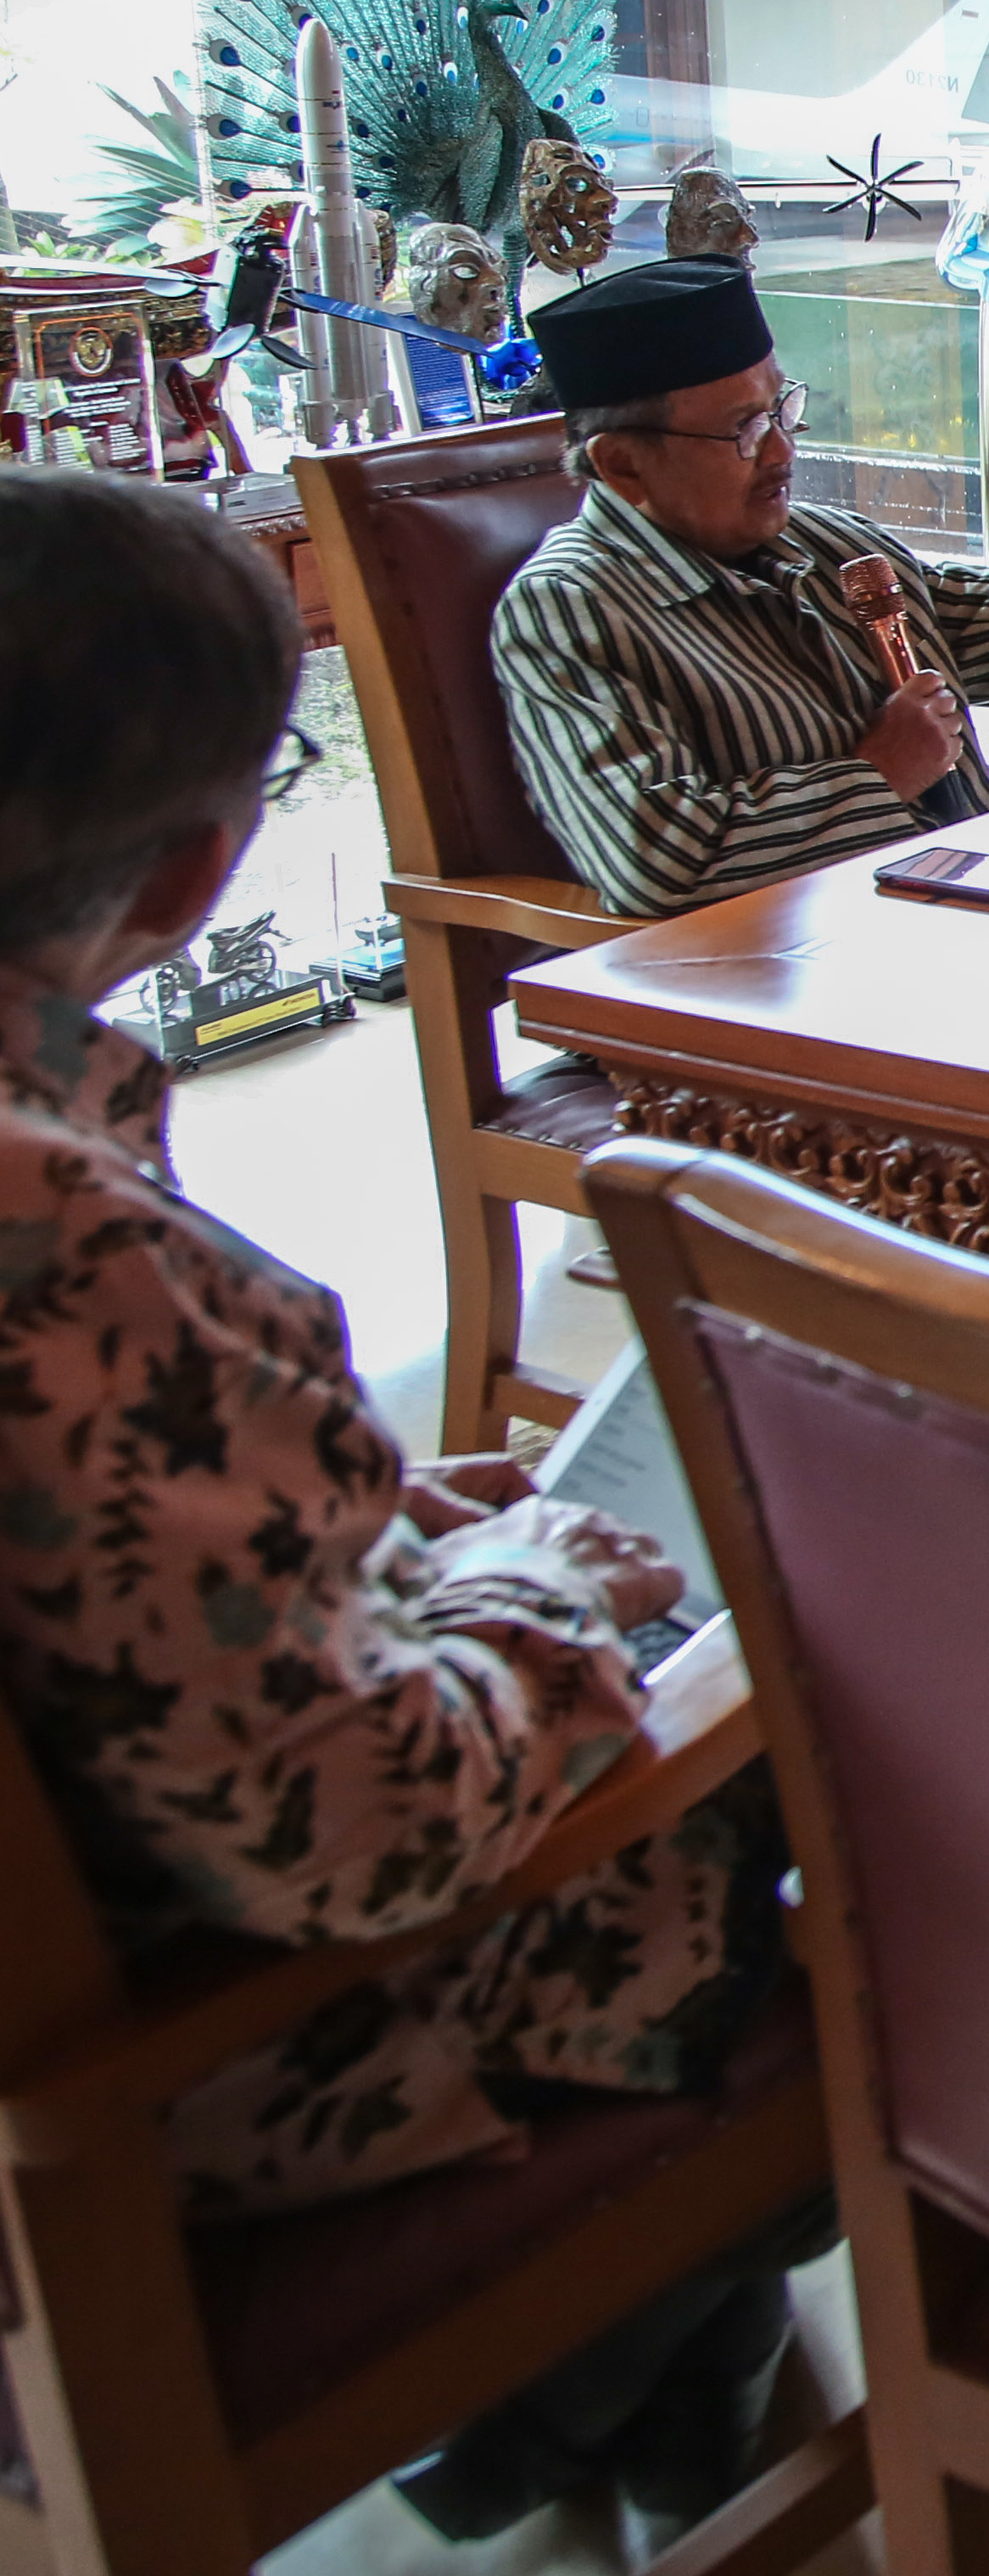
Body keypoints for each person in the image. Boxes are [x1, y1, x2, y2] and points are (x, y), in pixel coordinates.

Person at [0, 469, 818, 2544]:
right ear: (198, 871)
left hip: (148, 1885)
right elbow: (355, 1831)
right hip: (186, 2086)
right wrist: (537, 1571)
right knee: (855, 1734)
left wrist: (368, 1519)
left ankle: (602, 2396)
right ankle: (594, 2380)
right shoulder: (57, 1255)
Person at [494, 251, 989, 919]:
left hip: (968, 926)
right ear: (623, 465)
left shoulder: (829, 547)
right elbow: (655, 860)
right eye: (745, 432)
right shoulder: (571, 609)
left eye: (783, 407)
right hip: (775, 992)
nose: (784, 451)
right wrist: (878, 773)